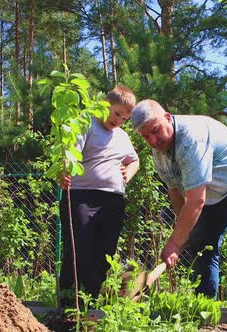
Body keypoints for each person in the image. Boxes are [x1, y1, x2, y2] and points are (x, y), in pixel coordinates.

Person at [131, 99, 227, 331]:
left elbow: (196, 200)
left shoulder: (191, 137)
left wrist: (175, 242)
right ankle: (205, 310)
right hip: (213, 191)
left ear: (167, 117)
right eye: (146, 137)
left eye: (155, 131)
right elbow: (175, 192)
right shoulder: (160, 153)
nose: (153, 140)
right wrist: (185, 233)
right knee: (200, 242)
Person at [58, 85, 139, 304]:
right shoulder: (87, 125)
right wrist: (63, 172)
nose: (119, 120)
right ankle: (68, 303)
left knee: (104, 254)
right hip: (81, 197)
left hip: (112, 201)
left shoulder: (122, 137)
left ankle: (92, 302)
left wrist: (128, 172)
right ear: (105, 105)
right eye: (117, 113)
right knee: (79, 251)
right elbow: (70, 155)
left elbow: (134, 159)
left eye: (125, 118)